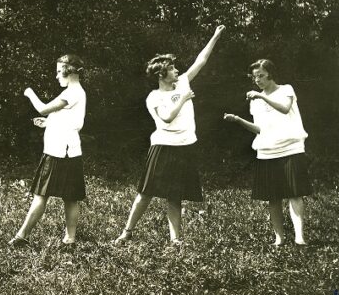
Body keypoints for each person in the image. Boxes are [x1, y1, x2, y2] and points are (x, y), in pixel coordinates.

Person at [114, 25, 226, 245]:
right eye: (172, 68)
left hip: (184, 146)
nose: (177, 71)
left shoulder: (182, 82)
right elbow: (166, 118)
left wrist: (215, 36)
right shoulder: (153, 97)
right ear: (161, 74)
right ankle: (127, 231)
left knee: (175, 195)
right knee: (146, 193)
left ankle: (175, 239)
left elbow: (201, 61)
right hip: (163, 146)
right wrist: (183, 99)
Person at [223, 59, 311, 245]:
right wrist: (238, 120)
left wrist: (261, 96)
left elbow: (285, 109)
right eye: (254, 77)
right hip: (267, 151)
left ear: (271, 74)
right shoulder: (255, 101)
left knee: (295, 194)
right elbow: (260, 129)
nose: (257, 80)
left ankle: (300, 237)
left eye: (261, 75)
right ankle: (279, 238)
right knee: (273, 197)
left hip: (291, 148)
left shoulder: (286, 89)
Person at [8, 54, 87, 247]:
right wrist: (50, 122)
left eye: (59, 71)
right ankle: (69, 239)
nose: (57, 76)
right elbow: (68, 117)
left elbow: (43, 108)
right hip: (65, 150)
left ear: (70, 71)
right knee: (70, 197)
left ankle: (22, 236)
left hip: (61, 151)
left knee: (44, 195)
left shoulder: (72, 92)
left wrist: (29, 93)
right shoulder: (74, 92)